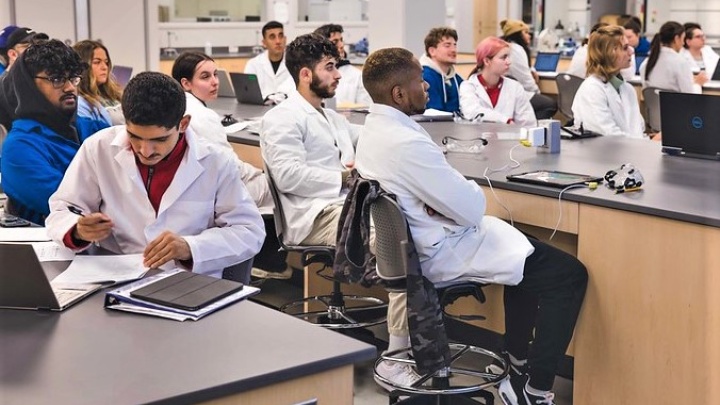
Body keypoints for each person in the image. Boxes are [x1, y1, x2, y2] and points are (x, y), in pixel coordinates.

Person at [357, 46, 587, 405]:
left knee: (523, 252)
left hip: (414, 248)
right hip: (438, 253)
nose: (426, 87)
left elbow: (454, 206)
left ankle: (517, 361)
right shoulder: (407, 143)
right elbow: (472, 208)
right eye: (419, 81)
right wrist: (452, 200)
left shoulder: (373, 130)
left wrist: (443, 203)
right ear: (398, 94)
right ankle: (535, 388)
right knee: (568, 274)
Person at [261, 34, 414, 388]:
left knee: (411, 227)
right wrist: (346, 179)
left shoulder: (328, 117)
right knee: (396, 242)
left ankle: (412, 343)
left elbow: (367, 135)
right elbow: (288, 176)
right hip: (312, 217)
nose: (339, 75)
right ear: (304, 74)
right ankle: (396, 357)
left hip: (340, 207)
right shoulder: (283, 118)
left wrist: (408, 135)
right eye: (330, 67)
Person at [45, 72, 265, 278]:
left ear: (183, 124)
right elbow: (62, 209)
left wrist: (190, 247)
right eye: (135, 136)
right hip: (117, 278)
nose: (145, 150)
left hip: (189, 284)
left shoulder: (216, 162)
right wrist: (77, 229)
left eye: (159, 140)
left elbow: (249, 232)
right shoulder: (98, 148)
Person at [171, 51, 289, 279]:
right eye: (205, 77)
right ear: (186, 83)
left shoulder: (181, 107)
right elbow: (230, 168)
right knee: (281, 187)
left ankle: (268, 260)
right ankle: (272, 261)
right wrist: (260, 173)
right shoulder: (203, 117)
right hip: (214, 192)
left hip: (196, 192)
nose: (215, 82)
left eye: (215, 75)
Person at [0, 39, 109, 224]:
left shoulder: (89, 127)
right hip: (58, 248)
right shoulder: (19, 148)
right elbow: (69, 204)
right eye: (57, 79)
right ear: (29, 85)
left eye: (73, 78)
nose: (70, 87)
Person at [572, 25, 645, 138]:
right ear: (610, 53)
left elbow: (638, 129)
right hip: (603, 154)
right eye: (625, 48)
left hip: (629, 151)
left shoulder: (626, 88)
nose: (631, 51)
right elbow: (607, 135)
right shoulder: (592, 89)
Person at [459, 36, 536, 127]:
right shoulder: (468, 86)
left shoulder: (515, 87)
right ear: (487, 61)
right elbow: (472, 112)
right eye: (503, 57)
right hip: (478, 140)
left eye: (508, 57)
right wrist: (505, 120)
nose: (509, 62)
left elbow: (529, 124)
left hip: (510, 140)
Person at [500, 19, 557, 120]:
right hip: (512, 95)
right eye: (525, 32)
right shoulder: (517, 50)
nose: (529, 35)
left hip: (504, 93)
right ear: (517, 34)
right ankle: (531, 128)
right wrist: (537, 92)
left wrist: (531, 69)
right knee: (550, 105)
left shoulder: (507, 46)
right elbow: (525, 79)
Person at [0, 27, 49, 129]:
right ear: (13, 54)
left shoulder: (33, 80)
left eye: (37, 45)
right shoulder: (4, 85)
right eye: (27, 46)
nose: (35, 50)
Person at [314, 23, 372, 106]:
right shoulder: (310, 73)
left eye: (341, 40)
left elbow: (365, 108)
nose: (341, 45)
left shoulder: (357, 75)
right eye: (335, 42)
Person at [72, 40, 124, 127]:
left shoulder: (115, 94)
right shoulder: (79, 103)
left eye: (106, 62)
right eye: (97, 62)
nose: (104, 67)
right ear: (82, 67)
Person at [639, 21, 698, 93]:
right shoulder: (681, 63)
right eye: (683, 39)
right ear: (676, 39)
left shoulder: (647, 62)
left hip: (653, 104)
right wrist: (697, 84)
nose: (683, 43)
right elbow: (689, 96)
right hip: (674, 104)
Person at [244, 20, 295, 102]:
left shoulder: (295, 63)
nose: (278, 41)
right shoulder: (253, 64)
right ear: (264, 43)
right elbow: (249, 93)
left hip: (287, 109)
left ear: (285, 39)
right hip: (260, 109)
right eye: (272, 37)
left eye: (281, 36)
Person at [567, 22, 634, 80]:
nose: (631, 52)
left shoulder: (580, 50)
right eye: (625, 48)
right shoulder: (594, 87)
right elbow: (628, 76)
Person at [419, 27, 463, 113]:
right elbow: (434, 112)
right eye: (447, 45)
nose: (453, 50)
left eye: (455, 45)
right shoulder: (425, 77)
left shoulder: (456, 79)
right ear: (432, 51)